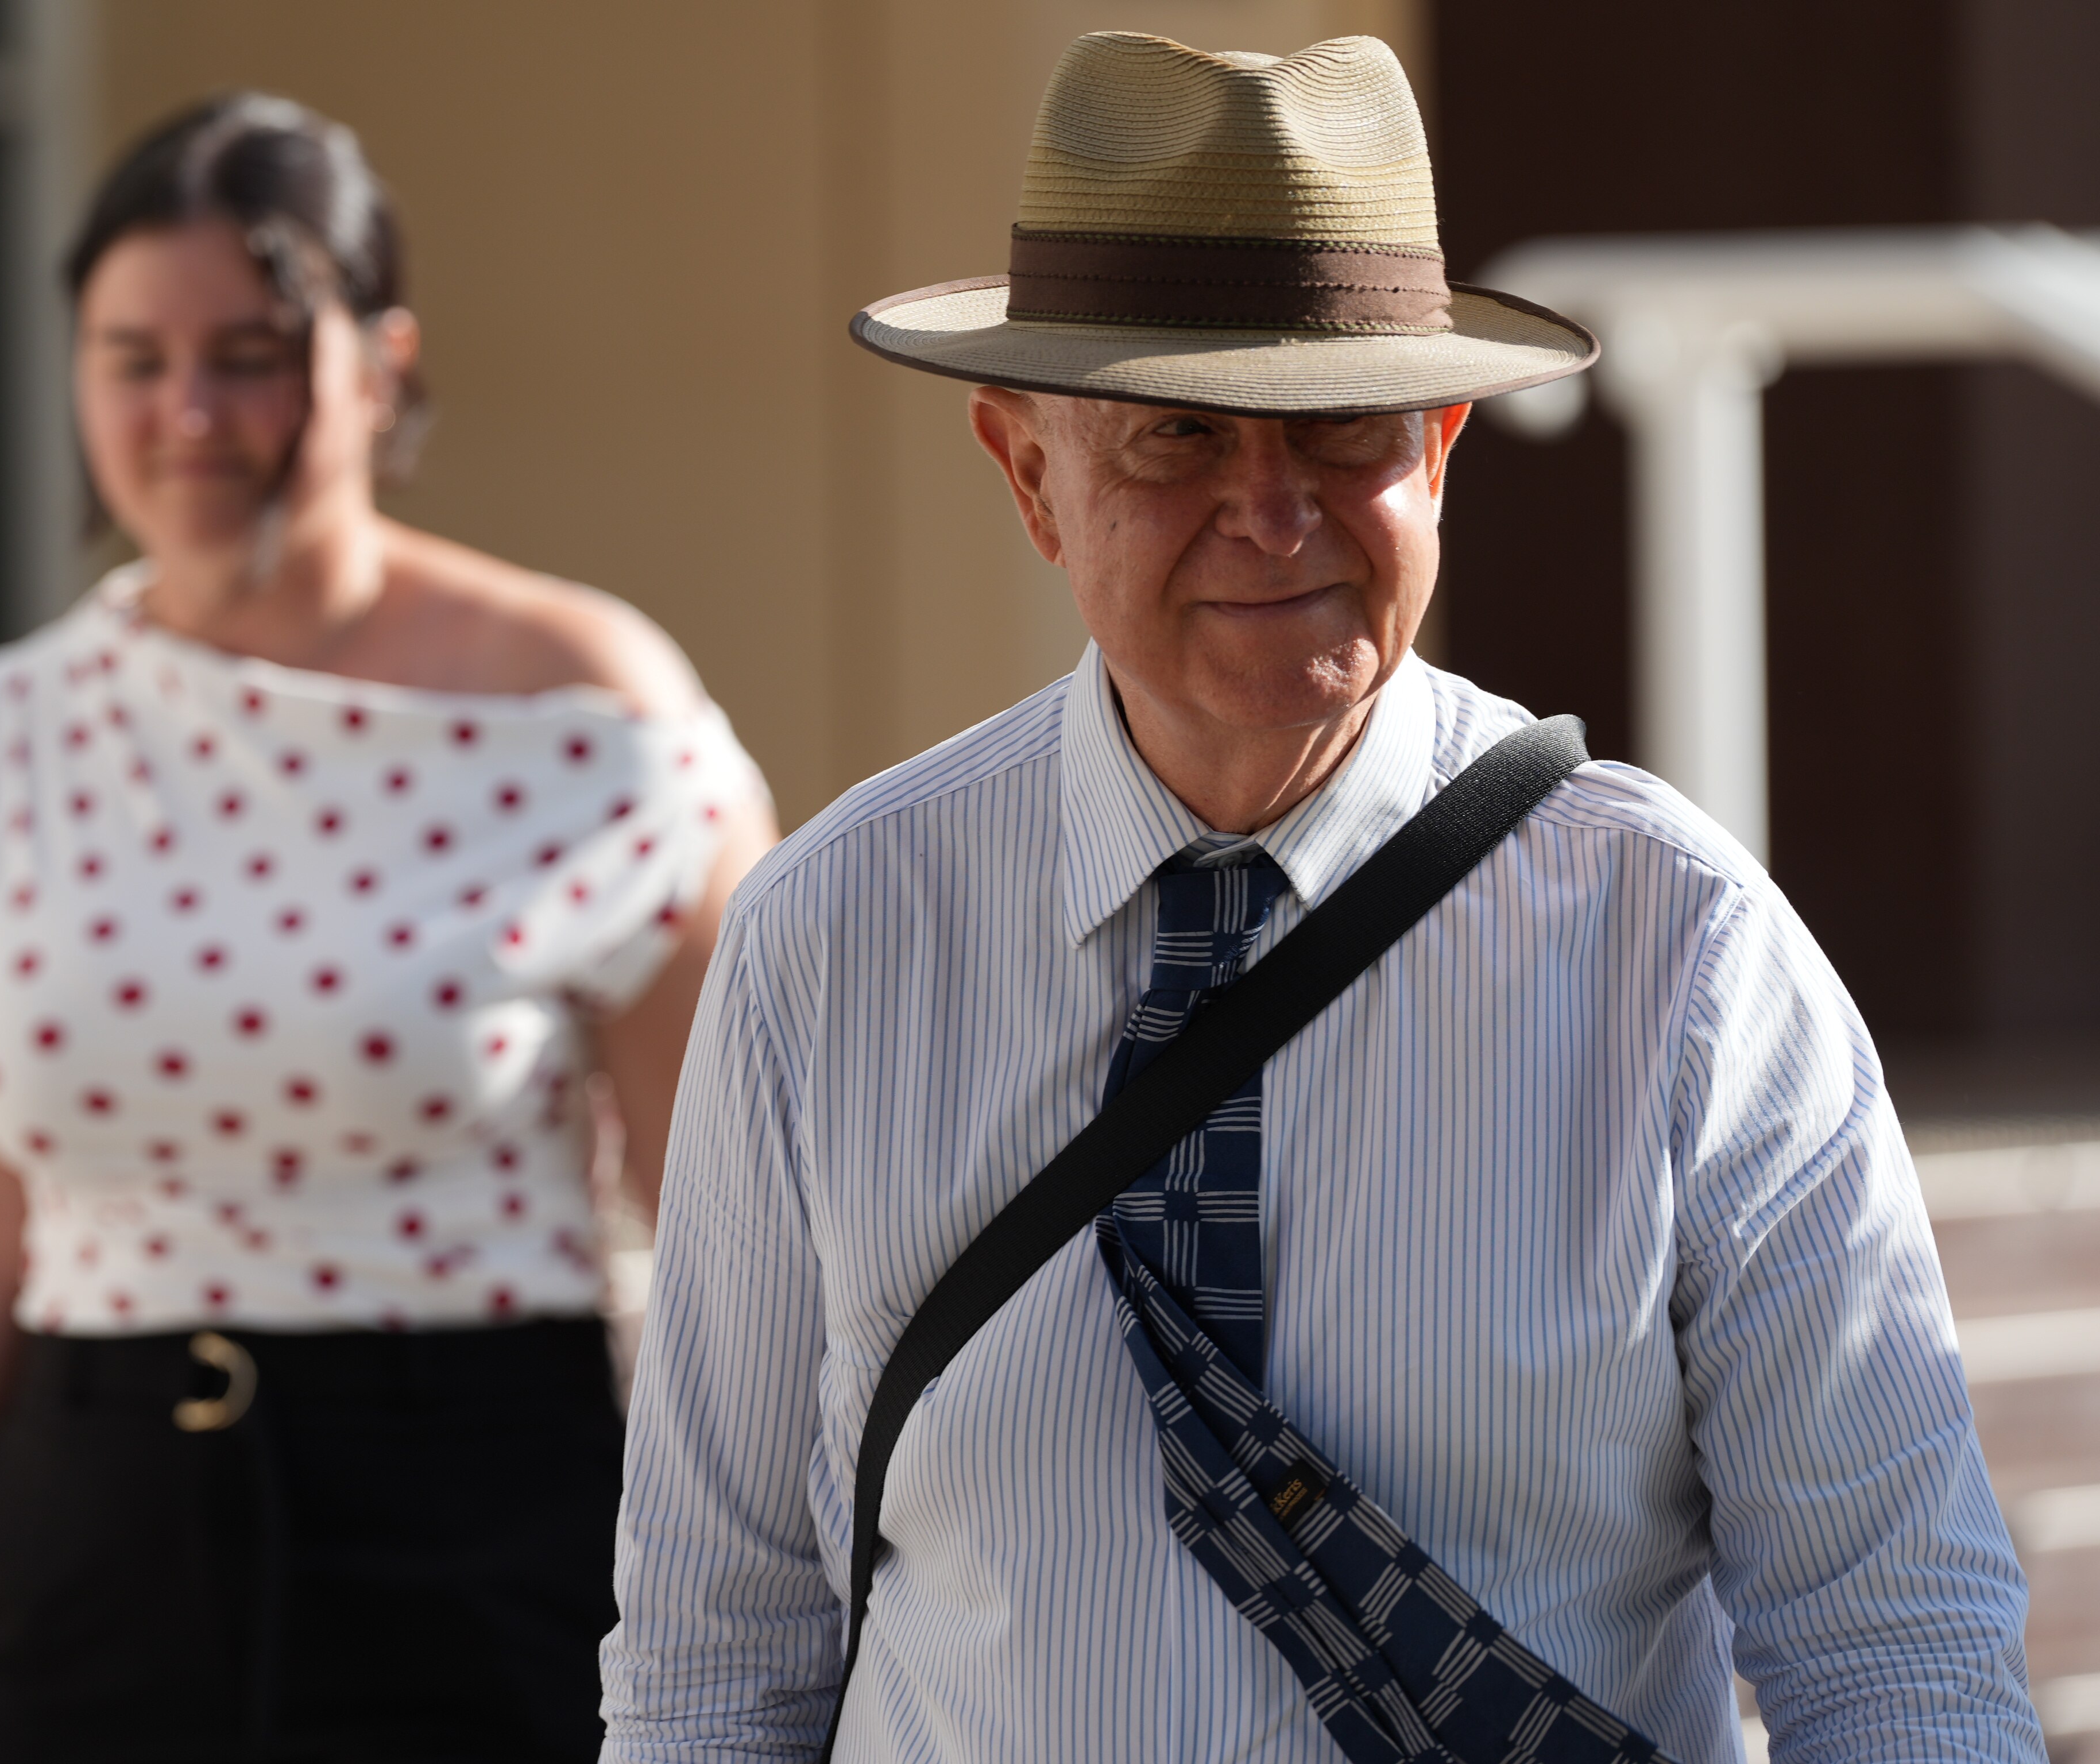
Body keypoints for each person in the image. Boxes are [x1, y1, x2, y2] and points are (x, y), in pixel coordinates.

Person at [601, 32, 2038, 1764]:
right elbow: (716, 1647)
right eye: (1175, 437)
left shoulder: (1683, 952)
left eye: (1339, 427)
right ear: (1027, 472)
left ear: (1440, 447)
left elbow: (1895, 1646)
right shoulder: (828, 942)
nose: (1269, 513)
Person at [0, 93, 774, 1764]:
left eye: (252, 352)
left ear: (379, 362)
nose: (190, 409)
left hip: (480, 1523)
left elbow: (736, 1241)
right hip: (85, 1544)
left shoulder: (585, 713)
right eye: (133, 355)